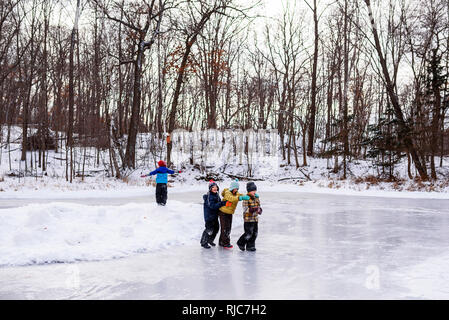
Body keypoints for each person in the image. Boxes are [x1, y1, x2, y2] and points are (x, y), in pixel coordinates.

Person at [218, 179, 250, 249]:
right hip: (223, 212)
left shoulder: (236, 193)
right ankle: (225, 243)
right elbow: (231, 198)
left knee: (228, 227)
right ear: (232, 188)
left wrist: (250, 195)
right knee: (224, 228)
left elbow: (241, 195)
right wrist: (240, 198)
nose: (236, 190)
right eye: (235, 188)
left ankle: (221, 241)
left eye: (237, 189)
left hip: (229, 213)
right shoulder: (227, 193)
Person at [200, 180, 227, 249]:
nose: (215, 188)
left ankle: (210, 240)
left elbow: (219, 203)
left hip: (214, 216)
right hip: (209, 216)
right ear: (210, 189)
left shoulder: (216, 195)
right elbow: (212, 206)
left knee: (216, 229)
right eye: (213, 187)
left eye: (216, 187)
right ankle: (203, 242)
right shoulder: (209, 196)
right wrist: (222, 203)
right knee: (209, 229)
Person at [236, 182, 262, 252]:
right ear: (249, 191)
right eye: (253, 191)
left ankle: (250, 246)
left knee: (255, 233)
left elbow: (259, 206)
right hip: (248, 219)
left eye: (255, 190)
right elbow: (245, 209)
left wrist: (259, 210)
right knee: (248, 233)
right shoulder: (246, 198)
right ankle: (240, 243)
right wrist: (254, 209)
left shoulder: (256, 198)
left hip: (255, 219)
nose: (254, 192)